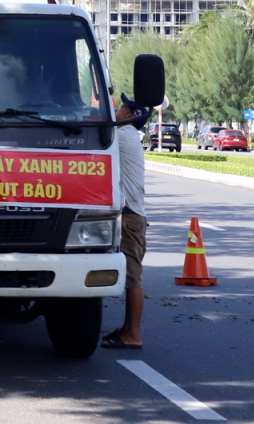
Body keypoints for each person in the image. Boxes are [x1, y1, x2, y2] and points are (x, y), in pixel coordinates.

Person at [103, 94, 147, 350]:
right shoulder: (129, 136)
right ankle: (127, 329)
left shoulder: (121, 136)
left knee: (133, 278)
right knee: (132, 275)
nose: (116, 111)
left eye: (121, 108)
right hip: (132, 214)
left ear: (131, 115)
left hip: (130, 216)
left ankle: (133, 334)